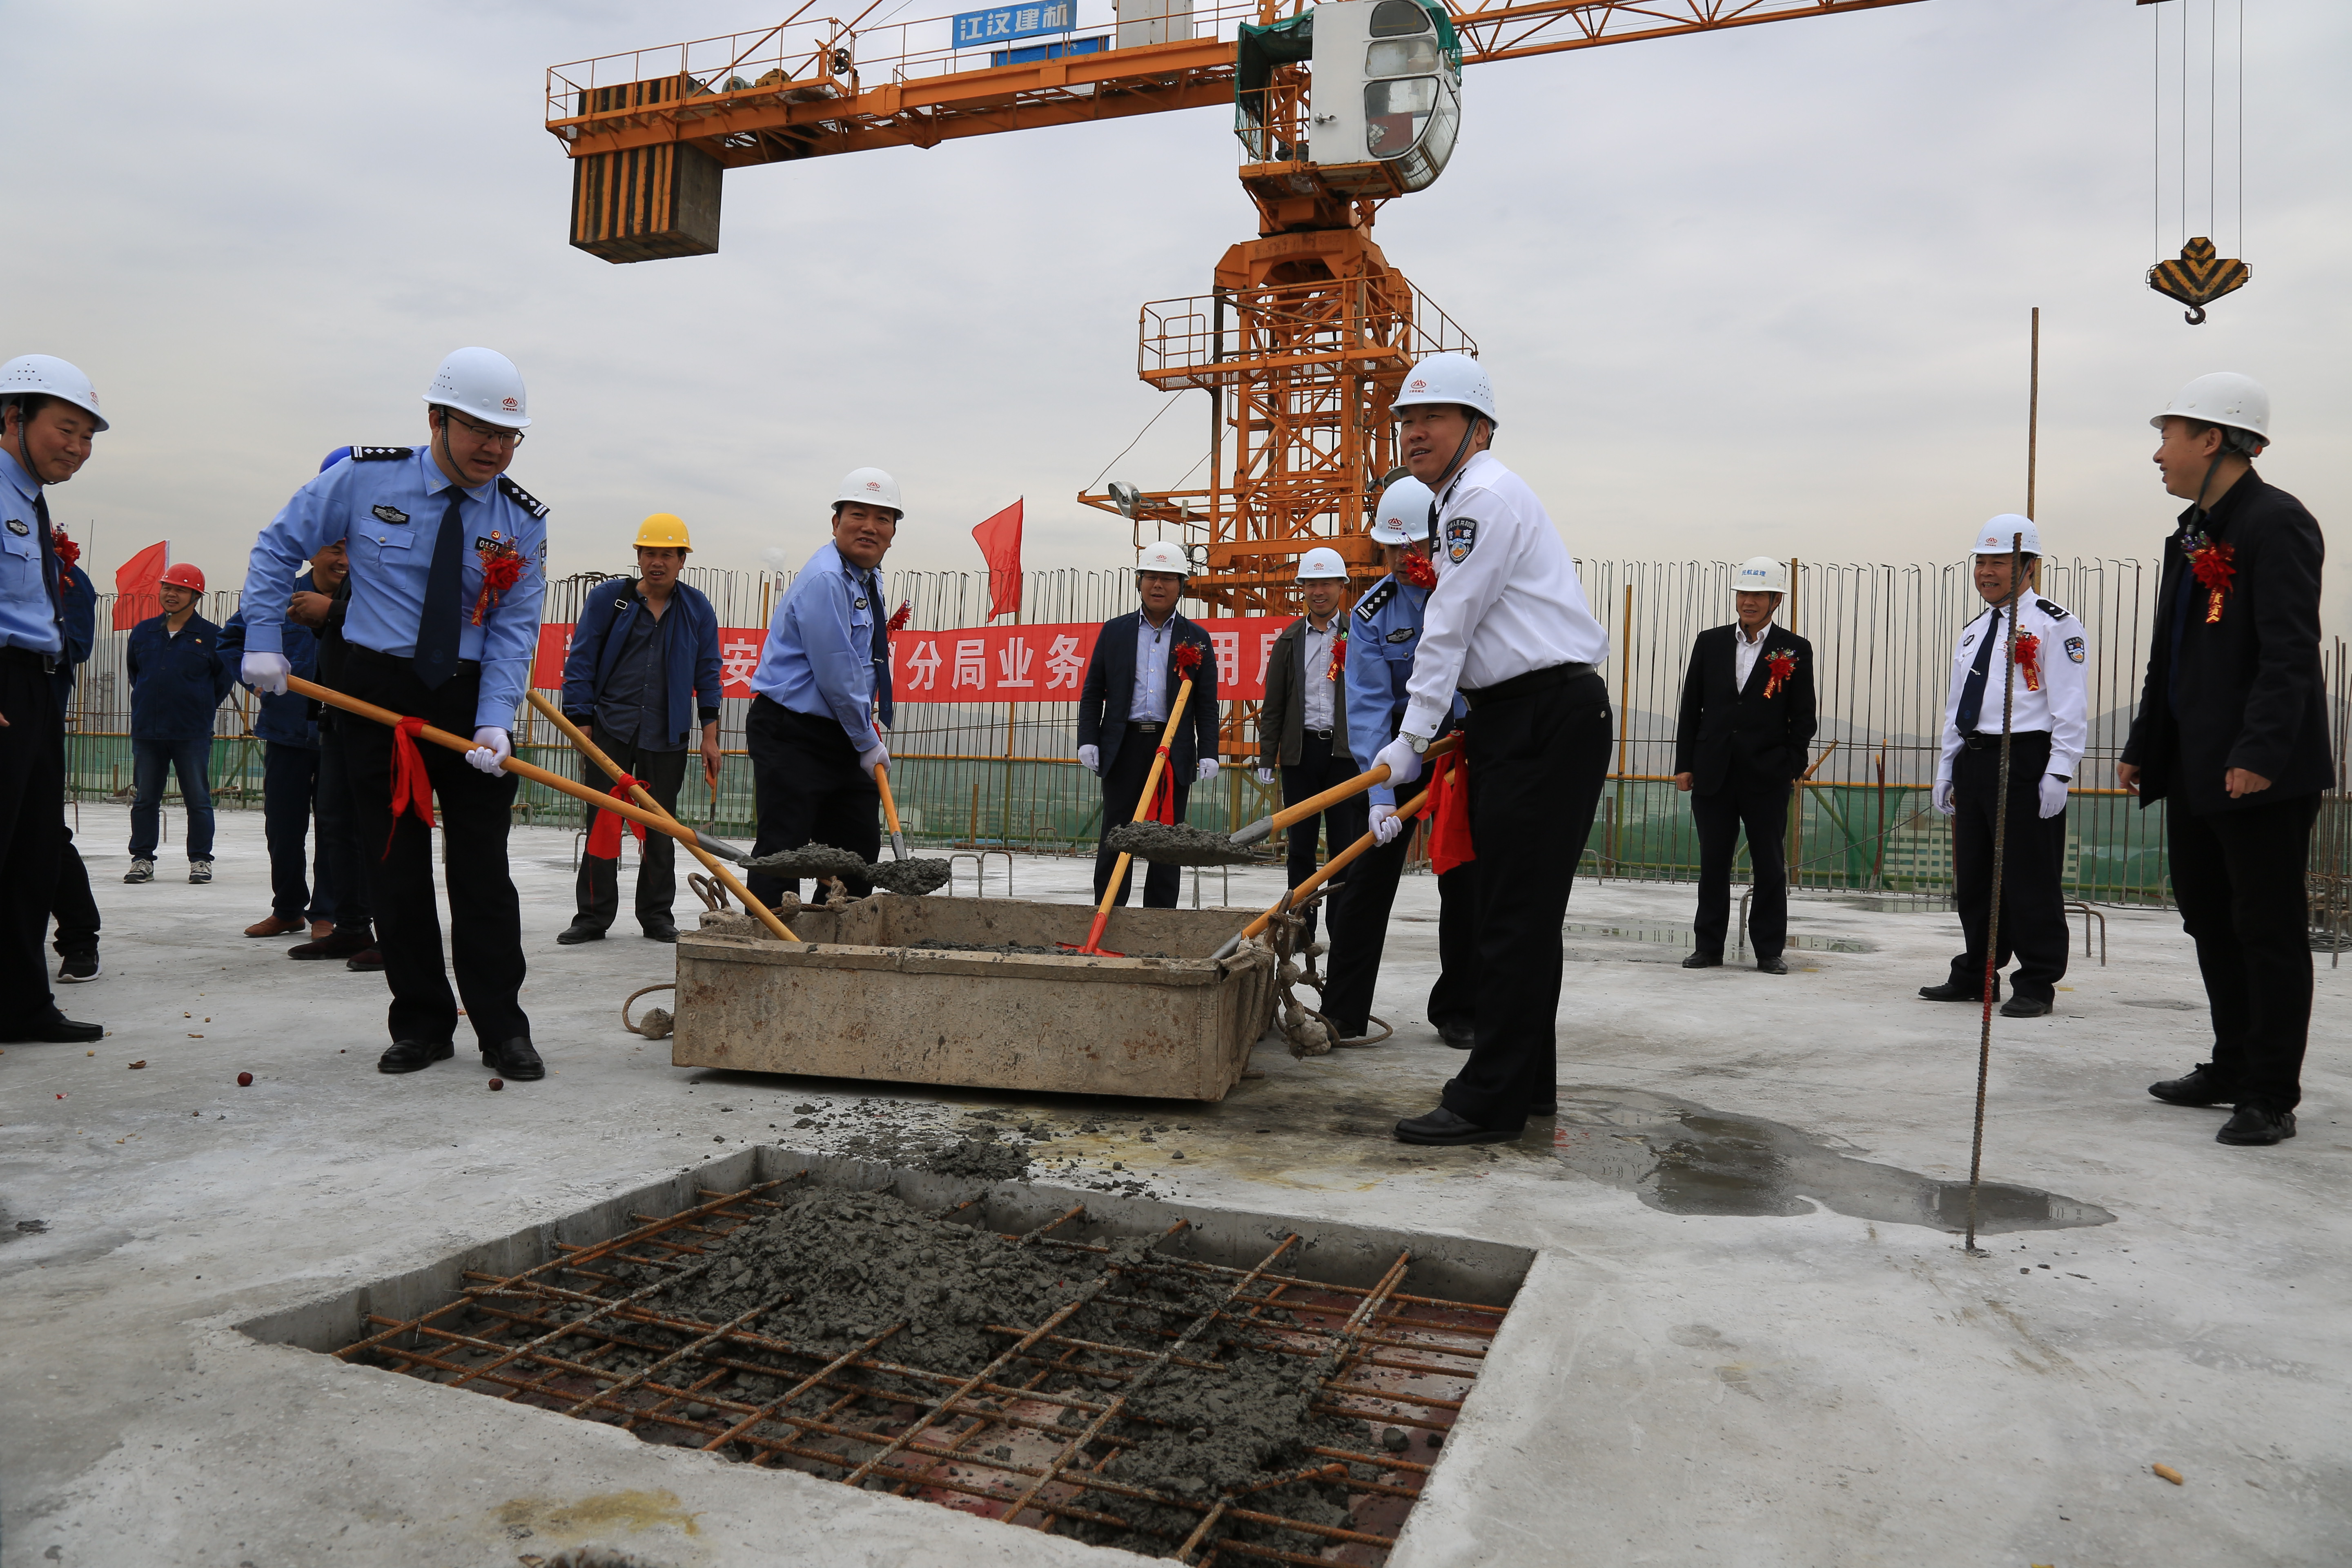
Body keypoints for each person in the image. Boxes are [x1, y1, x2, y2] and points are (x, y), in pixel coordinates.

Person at [236, 348, 548, 1080]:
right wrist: (260, 638)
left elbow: (514, 626)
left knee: (483, 870)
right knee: (394, 865)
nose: (495, 449)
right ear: (436, 419)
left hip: (468, 700)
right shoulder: (362, 478)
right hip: (374, 694)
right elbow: (277, 545)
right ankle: (421, 1024)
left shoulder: (520, 518)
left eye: (508, 437)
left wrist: (495, 718)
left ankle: (503, 1029)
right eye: (480, 431)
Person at [1367, 353, 1614, 1146]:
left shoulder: (1480, 500)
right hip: (1522, 717)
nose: (1415, 433)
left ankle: (1487, 1101)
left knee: (1509, 918)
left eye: (1433, 418)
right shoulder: (1463, 500)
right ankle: (1527, 1084)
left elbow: (1449, 626)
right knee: (1525, 917)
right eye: (1407, 420)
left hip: (1542, 717)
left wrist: (1411, 738)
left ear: (1478, 428)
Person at [2123, 374, 2331, 1147]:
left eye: (2168, 437)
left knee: (2267, 928)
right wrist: (2146, 743)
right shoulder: (2193, 532)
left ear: (2213, 439)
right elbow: (2170, 654)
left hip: (2257, 773)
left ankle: (2271, 1092)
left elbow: (2289, 651)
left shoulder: (2277, 522)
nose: (2158, 454)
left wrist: (2259, 752)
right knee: (2209, 916)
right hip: (2196, 764)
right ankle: (2233, 1063)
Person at [1319, 476, 1479, 1048]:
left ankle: (1460, 1009)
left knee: (1465, 877)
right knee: (1365, 880)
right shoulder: (1372, 613)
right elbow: (1366, 708)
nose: (1403, 560)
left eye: (1414, 547)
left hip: (1464, 749)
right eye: (1392, 549)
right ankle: (1343, 1012)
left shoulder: (1468, 592)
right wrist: (1381, 794)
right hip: (1399, 753)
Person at [1916, 517, 2088, 1020]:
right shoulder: (1974, 631)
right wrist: (1946, 767)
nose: (1986, 572)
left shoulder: (2054, 624)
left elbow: (2070, 705)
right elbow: (1958, 705)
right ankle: (1978, 970)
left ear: (2029, 567)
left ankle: (2036, 980)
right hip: (1975, 759)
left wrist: (2059, 771)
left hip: (2025, 758)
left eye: (2000, 562)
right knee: (1974, 878)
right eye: (1981, 562)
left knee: (2028, 876)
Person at [0, 352, 106, 1045]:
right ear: (14, 417)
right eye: (65, 429)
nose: (77, 447)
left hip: (38, 685)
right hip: (5, 679)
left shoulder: (29, 501)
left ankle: (20, 1006)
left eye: (87, 437)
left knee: (33, 849)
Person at [557, 512, 724, 943]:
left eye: (668, 555)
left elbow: (708, 672)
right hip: (610, 727)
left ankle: (656, 916)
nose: (658, 562)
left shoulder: (696, 608)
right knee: (602, 821)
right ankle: (592, 917)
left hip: (667, 733)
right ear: (639, 555)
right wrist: (581, 722)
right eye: (650, 553)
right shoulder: (610, 599)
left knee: (661, 825)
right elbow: (581, 660)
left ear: (682, 560)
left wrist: (710, 736)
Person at [744, 470, 901, 910]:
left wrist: (861, 734)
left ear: (893, 533)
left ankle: (832, 934)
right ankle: (770, 937)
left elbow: (860, 665)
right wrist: (867, 740)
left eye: (883, 519)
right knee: (784, 849)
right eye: (858, 515)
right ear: (836, 523)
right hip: (792, 731)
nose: (870, 527)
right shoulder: (827, 579)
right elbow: (837, 673)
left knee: (856, 851)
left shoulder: (867, 576)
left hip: (842, 731)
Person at [1672, 556, 1816, 974]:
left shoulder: (1794, 649)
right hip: (1713, 771)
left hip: (1767, 774)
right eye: (1743, 594)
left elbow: (1803, 715)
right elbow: (1691, 707)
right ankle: (1708, 946)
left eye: (1758, 595)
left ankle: (1769, 950)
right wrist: (1685, 764)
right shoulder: (1710, 642)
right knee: (1713, 863)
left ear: (1776, 600)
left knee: (1769, 864)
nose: (1748, 602)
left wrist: (1791, 764)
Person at [1076, 540, 1222, 909]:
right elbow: (1093, 692)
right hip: (1123, 746)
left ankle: (1160, 920)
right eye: (1151, 577)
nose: (1159, 585)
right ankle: (1109, 912)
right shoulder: (1115, 632)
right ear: (1139, 581)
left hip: (1172, 750)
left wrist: (1208, 751)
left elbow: (1206, 704)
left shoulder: (1196, 638)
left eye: (1168, 578)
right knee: (1117, 834)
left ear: (1182, 585)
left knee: (1167, 838)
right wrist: (1088, 739)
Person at [220, 541, 347, 940]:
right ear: (314, 554)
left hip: (342, 737)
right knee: (283, 827)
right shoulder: (278, 596)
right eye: (335, 549)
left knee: (335, 827)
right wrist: (253, 677)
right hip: (286, 731)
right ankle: (288, 909)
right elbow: (231, 642)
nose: (343, 561)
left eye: (351, 551)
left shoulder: (362, 602)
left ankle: (326, 912)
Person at [283, 506, 381, 968]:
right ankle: (352, 927)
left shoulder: (388, 553)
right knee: (336, 824)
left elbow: (407, 616)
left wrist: (333, 612)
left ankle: (397, 934)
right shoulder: (349, 569)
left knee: (380, 829)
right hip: (339, 715)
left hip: (381, 714)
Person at [1254, 545, 1364, 947]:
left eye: (1327, 583)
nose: (1319, 592)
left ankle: (1344, 931)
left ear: (1341, 587)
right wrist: (1268, 755)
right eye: (1312, 584)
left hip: (1344, 756)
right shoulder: (1289, 640)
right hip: (1300, 756)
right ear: (1302, 588)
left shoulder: (1359, 635)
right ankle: (1301, 931)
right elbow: (1275, 704)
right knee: (1301, 848)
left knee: (1344, 848)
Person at [122, 562, 234, 886]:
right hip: (148, 731)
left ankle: (201, 861)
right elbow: (136, 674)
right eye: (167, 587)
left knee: (198, 799)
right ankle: (142, 859)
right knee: (145, 799)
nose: (171, 594)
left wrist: (197, 707)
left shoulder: (212, 636)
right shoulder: (143, 632)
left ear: (196, 597)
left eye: (181, 590)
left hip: (191, 732)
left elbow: (222, 682)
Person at [49, 538, 101, 982]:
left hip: (30, 713)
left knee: (42, 832)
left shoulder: (64, 575)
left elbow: (76, 645)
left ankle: (79, 938)